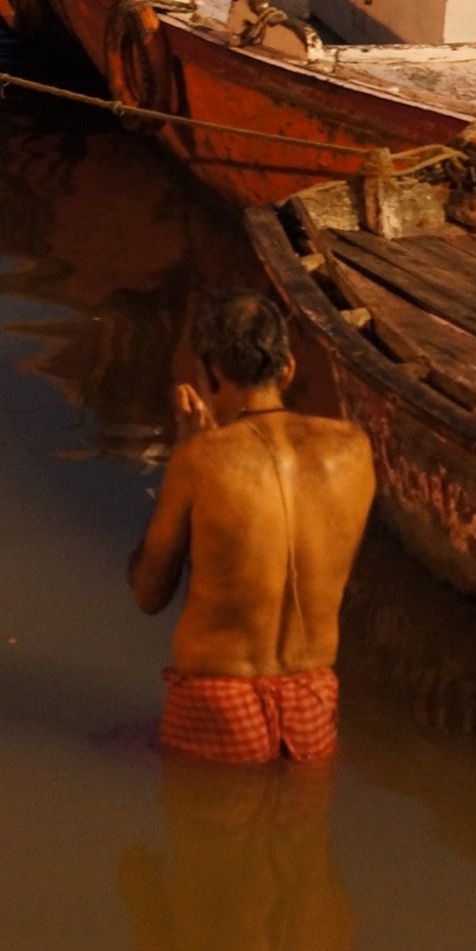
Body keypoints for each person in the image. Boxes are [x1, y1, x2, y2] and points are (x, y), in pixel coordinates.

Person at [128, 289, 375, 764]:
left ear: (211, 371)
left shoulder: (199, 460)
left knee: (201, 832)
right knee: (305, 837)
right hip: (312, 698)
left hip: (218, 699)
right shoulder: (355, 448)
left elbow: (148, 592)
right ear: (287, 370)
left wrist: (189, 448)